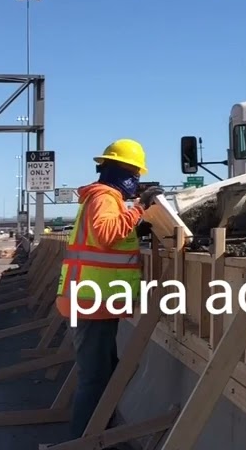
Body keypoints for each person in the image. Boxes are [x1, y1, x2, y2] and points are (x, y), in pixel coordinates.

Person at [56, 139, 162, 438]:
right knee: (95, 379)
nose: (136, 181)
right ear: (122, 171)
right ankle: (84, 441)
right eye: (134, 174)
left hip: (94, 300)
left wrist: (135, 222)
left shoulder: (104, 197)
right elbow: (106, 234)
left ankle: (100, 435)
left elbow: (112, 236)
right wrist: (140, 208)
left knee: (107, 373)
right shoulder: (105, 197)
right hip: (92, 301)